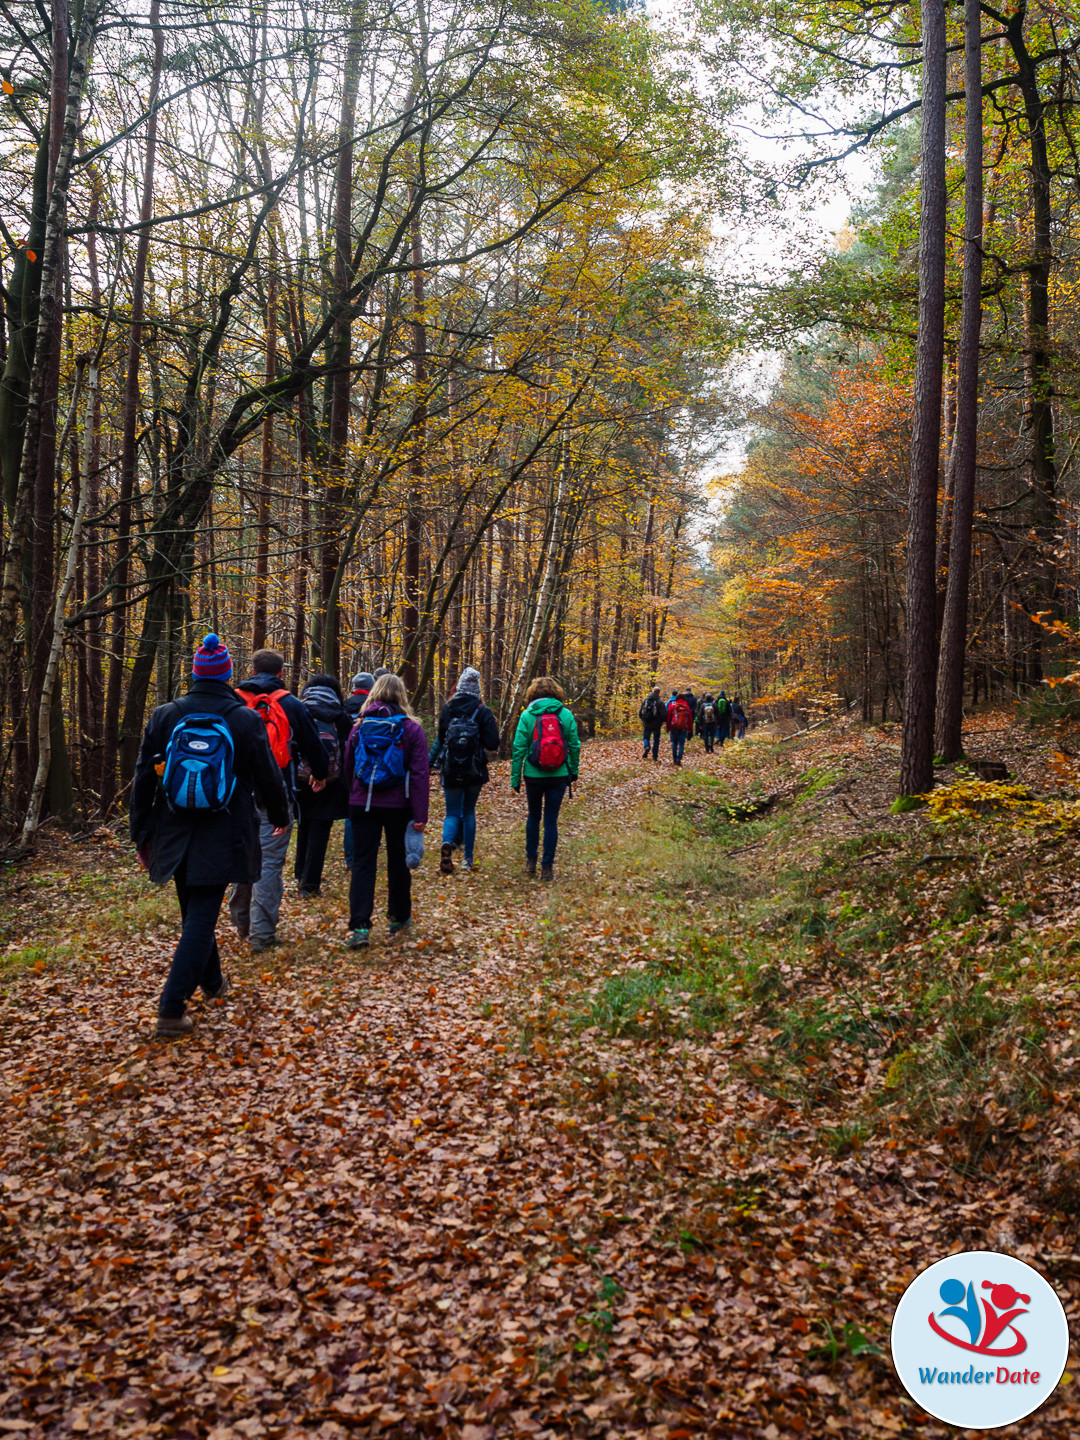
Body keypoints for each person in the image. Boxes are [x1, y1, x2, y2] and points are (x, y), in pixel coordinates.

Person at [130, 634, 290, 1038]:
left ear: (196, 673)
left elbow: (142, 779)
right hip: (224, 829)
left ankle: (214, 983)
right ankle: (171, 1008)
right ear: (227, 674)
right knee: (200, 918)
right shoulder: (243, 719)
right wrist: (281, 813)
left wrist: (140, 832)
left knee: (194, 913)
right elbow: (267, 774)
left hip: (173, 830)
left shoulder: (165, 715)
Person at [228, 649, 329, 952]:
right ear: (281, 673)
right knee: (269, 863)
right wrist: (320, 773)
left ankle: (241, 924)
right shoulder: (290, 703)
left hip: (234, 796)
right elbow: (313, 744)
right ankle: (262, 935)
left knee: (243, 858)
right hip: (275, 796)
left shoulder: (232, 700)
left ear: (252, 669)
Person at [343, 672, 430, 947]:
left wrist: (353, 796)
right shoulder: (412, 729)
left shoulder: (359, 726)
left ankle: (360, 927)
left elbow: (348, 765)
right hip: (398, 805)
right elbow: (419, 774)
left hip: (363, 802)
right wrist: (420, 814)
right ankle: (399, 918)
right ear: (402, 696)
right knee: (398, 862)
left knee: (363, 863)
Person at [430, 666, 500, 874]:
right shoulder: (482, 711)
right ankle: (468, 859)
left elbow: (441, 739)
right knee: (468, 812)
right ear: (477, 690)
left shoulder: (447, 709)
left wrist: (430, 762)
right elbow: (493, 743)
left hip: (450, 769)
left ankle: (447, 843)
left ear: (459, 688)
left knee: (451, 813)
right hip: (474, 770)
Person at [510, 677, 580, 880]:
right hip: (559, 775)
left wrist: (515, 779)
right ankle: (547, 867)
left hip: (533, 776)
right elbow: (575, 745)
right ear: (557, 693)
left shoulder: (527, 715)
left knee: (533, 816)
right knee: (551, 821)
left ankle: (531, 861)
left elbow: (518, 749)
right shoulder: (565, 714)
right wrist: (573, 771)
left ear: (533, 694)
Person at [294, 673, 352, 896]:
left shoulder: (299, 710)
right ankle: (310, 885)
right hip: (330, 781)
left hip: (300, 779)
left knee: (304, 825)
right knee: (320, 831)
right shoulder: (340, 716)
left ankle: (300, 873)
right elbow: (347, 752)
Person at [666, 690, 694, 766]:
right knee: (681, 744)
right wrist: (690, 729)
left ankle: (674, 758)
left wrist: (668, 728)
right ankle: (679, 758)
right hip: (683, 727)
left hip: (673, 726)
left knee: (674, 743)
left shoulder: (673, 706)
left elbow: (668, 718)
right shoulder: (687, 707)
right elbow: (690, 719)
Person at [639, 685, 666, 761]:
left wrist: (643, 720)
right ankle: (655, 756)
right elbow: (664, 714)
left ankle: (647, 746)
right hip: (656, 724)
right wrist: (661, 722)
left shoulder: (645, 700)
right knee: (656, 740)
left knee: (646, 737)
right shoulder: (660, 702)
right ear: (659, 693)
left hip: (647, 723)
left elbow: (640, 712)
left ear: (652, 691)